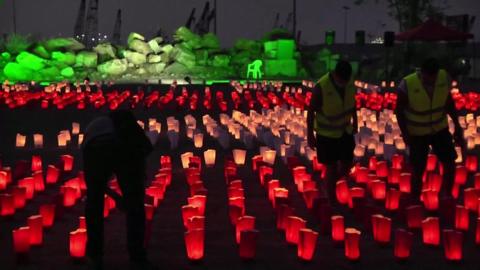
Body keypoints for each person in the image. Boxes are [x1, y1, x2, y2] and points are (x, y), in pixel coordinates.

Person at [82, 110, 155, 270]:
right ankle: (136, 256)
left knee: (94, 203)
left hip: (94, 148)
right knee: (135, 205)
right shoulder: (130, 131)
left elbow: (96, 184)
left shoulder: (96, 126)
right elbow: (144, 151)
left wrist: (115, 196)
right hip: (113, 148)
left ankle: (95, 256)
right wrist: (132, 193)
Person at [395, 58, 465, 203]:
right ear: (422, 73)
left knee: (449, 161)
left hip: (439, 129)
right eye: (428, 78)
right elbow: (399, 111)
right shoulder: (407, 84)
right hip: (418, 132)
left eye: (434, 78)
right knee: (418, 167)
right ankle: (415, 198)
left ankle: (447, 195)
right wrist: (406, 134)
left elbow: (448, 102)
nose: (431, 81)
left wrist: (457, 126)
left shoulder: (443, 78)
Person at [307, 60, 357, 205]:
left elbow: (352, 103)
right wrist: (310, 135)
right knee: (331, 166)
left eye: (346, 80)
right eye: (341, 79)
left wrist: (356, 121)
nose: (343, 82)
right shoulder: (321, 87)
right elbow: (311, 112)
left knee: (347, 163)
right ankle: (331, 199)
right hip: (326, 134)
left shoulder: (349, 83)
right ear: (335, 74)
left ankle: (329, 184)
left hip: (345, 130)